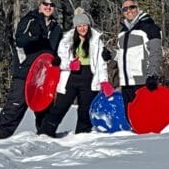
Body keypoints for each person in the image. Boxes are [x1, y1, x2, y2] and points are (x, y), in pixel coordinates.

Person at [0, 0, 63, 141]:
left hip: (44, 77)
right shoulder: (31, 20)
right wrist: (32, 36)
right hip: (25, 72)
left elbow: (59, 50)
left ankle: (45, 139)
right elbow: (19, 41)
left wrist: (58, 60)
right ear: (40, 5)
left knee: (45, 107)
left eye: (51, 5)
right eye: (45, 4)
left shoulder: (57, 28)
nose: (48, 7)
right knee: (15, 107)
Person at [38, 8, 113, 138]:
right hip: (71, 77)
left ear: (88, 26)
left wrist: (104, 81)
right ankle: (45, 132)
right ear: (75, 27)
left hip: (89, 77)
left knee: (85, 109)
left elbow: (101, 64)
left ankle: (82, 135)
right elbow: (61, 61)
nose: (82, 28)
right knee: (60, 107)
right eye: (79, 26)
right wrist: (69, 65)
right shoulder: (66, 40)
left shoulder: (96, 40)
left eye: (84, 25)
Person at [102, 0, 163, 115]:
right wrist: (110, 55)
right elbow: (122, 55)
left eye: (132, 7)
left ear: (138, 8)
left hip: (143, 82)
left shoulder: (150, 28)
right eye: (125, 9)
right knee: (131, 118)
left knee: (145, 118)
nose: (129, 11)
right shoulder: (122, 33)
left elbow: (156, 53)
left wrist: (153, 75)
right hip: (126, 83)